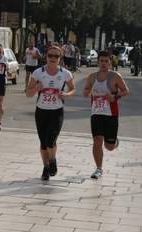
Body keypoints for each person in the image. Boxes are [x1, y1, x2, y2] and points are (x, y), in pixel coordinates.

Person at [25, 46, 76, 180]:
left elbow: (73, 89)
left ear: (60, 59)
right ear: (46, 57)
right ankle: (46, 167)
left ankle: (52, 160)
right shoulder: (38, 73)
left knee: (50, 140)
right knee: (43, 143)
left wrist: (66, 94)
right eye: (50, 56)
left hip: (56, 111)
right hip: (41, 111)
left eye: (55, 56)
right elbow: (28, 94)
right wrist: (36, 88)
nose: (52, 59)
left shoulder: (65, 74)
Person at [82, 51, 129, 179]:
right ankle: (98, 168)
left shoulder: (115, 76)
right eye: (101, 61)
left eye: (106, 61)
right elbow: (86, 89)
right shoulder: (92, 76)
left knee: (109, 147)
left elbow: (126, 90)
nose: (103, 63)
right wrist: (86, 92)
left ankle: (114, 142)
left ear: (110, 63)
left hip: (111, 113)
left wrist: (116, 96)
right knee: (97, 141)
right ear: (97, 62)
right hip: (96, 113)